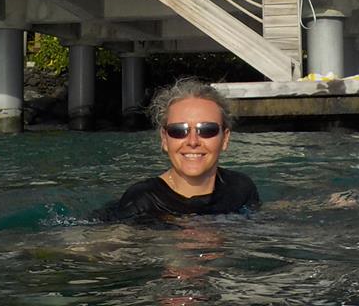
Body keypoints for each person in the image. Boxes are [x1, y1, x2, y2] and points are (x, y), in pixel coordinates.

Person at [92, 79, 260, 221]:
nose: (193, 141)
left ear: (225, 139)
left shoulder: (241, 190)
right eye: (178, 131)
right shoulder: (142, 202)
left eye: (207, 130)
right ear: (165, 139)